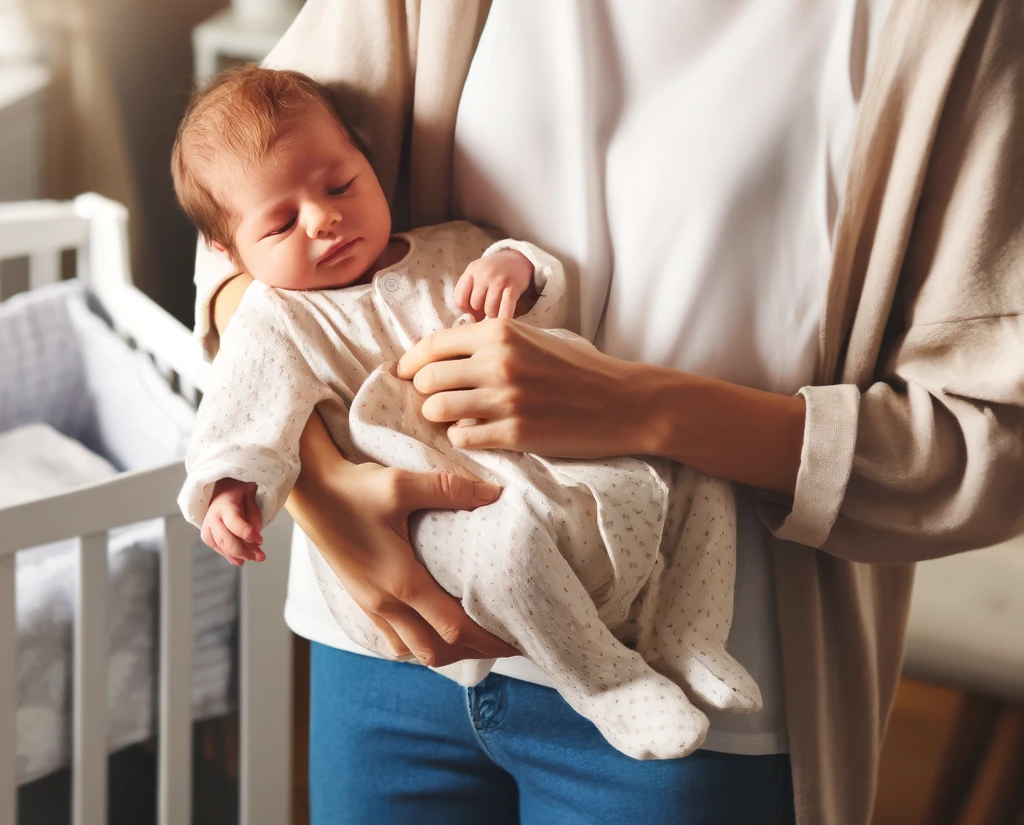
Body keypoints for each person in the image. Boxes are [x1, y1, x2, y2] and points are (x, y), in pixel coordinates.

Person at [194, 0, 1024, 822]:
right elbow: (241, 214)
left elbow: (989, 438)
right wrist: (321, 491)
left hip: (695, 690)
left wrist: (647, 410)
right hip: (391, 636)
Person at [174, 65, 761, 762]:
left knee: (700, 476)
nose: (324, 218)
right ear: (227, 251)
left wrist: (516, 269)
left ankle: (686, 634)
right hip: (429, 527)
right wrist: (233, 489)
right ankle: (607, 684)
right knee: (506, 549)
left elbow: (548, 305)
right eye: (281, 222)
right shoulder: (276, 320)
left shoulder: (451, 246)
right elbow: (243, 417)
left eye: (340, 185)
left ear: (370, 163)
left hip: (545, 469)